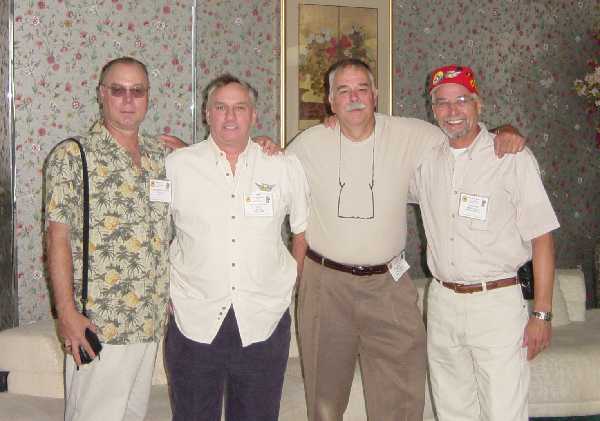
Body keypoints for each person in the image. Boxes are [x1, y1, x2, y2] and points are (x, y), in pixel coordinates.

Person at [286, 58, 525, 421]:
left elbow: (464, 134)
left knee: (400, 396)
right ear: (330, 100)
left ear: (375, 95)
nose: (354, 98)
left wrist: (505, 130)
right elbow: (272, 178)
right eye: (343, 91)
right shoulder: (308, 144)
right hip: (326, 284)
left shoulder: (412, 134)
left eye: (362, 89)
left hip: (389, 284)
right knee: (324, 399)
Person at [409, 65, 559, 420]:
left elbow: (542, 238)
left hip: (496, 304)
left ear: (478, 104)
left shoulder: (511, 157)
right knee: (452, 411)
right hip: (442, 303)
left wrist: (541, 313)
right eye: (442, 103)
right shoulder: (425, 161)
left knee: (503, 411)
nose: (452, 111)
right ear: (433, 110)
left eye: (462, 100)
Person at [164, 74, 310, 421]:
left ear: (254, 115)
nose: (230, 117)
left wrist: (287, 285)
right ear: (207, 114)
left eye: (240, 108)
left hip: (263, 320)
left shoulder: (283, 166)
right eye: (221, 107)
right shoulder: (176, 166)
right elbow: (152, 236)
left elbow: (302, 234)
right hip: (194, 318)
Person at [45, 56, 182, 421]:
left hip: (149, 318)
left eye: (137, 91)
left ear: (148, 96)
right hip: (100, 322)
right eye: (118, 90)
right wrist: (66, 313)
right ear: (101, 94)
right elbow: (57, 238)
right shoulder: (73, 155)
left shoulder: (161, 156)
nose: (128, 99)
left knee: (134, 414)